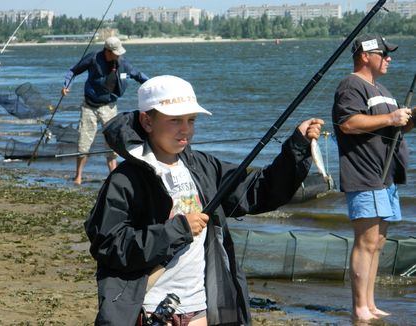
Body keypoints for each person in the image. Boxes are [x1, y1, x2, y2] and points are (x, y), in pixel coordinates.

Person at [84, 75, 324, 325]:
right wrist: (176, 229)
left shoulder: (204, 166)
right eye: (174, 120)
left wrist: (297, 146)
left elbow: (258, 191)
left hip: (204, 307)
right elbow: (109, 246)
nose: (185, 128)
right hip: (151, 308)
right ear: (147, 121)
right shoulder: (124, 179)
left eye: (191, 120)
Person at [332, 34, 415, 321]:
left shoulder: (382, 89)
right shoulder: (351, 85)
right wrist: (392, 118)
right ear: (366, 55)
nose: (389, 58)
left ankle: (370, 304)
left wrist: (409, 119)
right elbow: (348, 123)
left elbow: (393, 128)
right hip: (364, 174)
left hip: (386, 177)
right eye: (384, 53)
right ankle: (359, 307)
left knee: (377, 243)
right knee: (365, 242)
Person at [61, 36, 149, 185]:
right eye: (115, 52)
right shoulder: (93, 58)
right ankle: (78, 176)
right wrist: (66, 86)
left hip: (109, 107)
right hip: (89, 106)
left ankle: (112, 176)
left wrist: (155, 85)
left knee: (112, 142)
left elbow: (139, 76)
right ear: (107, 51)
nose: (118, 55)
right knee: (84, 142)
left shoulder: (123, 64)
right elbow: (73, 71)